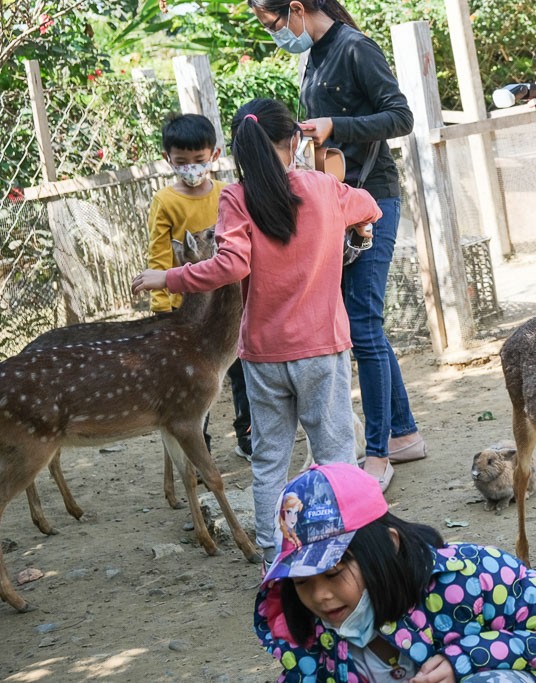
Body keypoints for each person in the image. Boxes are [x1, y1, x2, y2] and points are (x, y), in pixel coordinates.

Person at [132, 98, 381, 570]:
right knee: (335, 456)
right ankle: (347, 554)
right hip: (322, 351)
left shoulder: (235, 198)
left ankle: (273, 558)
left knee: (269, 463)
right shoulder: (324, 188)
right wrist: (356, 224)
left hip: (263, 357)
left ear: (238, 150)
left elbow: (231, 265)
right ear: (294, 142)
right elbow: (368, 206)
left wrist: (167, 277)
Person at [247, 0, 426, 493]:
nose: (277, 34)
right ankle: (404, 431)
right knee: (362, 320)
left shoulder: (354, 48)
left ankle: (377, 453)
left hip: (374, 197)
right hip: (338, 198)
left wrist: (334, 127)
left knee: (363, 323)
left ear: (298, 9)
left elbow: (401, 116)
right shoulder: (315, 56)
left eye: (275, 24)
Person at [255, 462, 536, 683]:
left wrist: (467, 659)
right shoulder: (313, 640)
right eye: (302, 582)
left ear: (388, 546)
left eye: (333, 573)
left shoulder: (473, 576)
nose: (320, 596)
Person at [148, 112, 253, 458]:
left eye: (198, 160)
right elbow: (160, 255)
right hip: (189, 315)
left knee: (242, 373)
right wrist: (163, 309)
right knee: (192, 383)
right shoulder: (165, 201)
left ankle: (248, 436)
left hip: (232, 308)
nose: (191, 167)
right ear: (168, 160)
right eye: (182, 162)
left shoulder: (229, 193)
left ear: (215, 154)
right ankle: (199, 451)